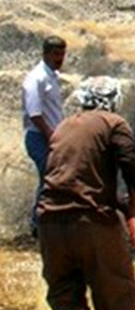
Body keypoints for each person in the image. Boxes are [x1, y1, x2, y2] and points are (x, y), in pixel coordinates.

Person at [37, 76, 135, 310]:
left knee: (62, 282)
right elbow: (129, 160)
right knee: (114, 283)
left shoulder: (63, 127)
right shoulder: (114, 123)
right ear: (114, 100)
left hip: (50, 221)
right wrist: (134, 202)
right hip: (91, 221)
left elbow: (69, 174)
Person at [23, 35, 67, 236]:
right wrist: (51, 135)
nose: (60, 58)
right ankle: (37, 224)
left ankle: (46, 221)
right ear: (46, 53)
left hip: (51, 135)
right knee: (49, 179)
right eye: (56, 54)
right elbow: (34, 114)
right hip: (39, 137)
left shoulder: (52, 76)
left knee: (54, 178)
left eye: (62, 54)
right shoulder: (36, 77)